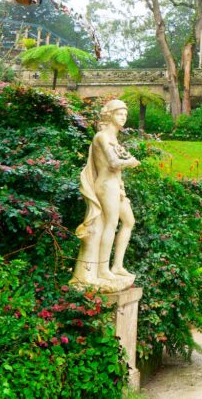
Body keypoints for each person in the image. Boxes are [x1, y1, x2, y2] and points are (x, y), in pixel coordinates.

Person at [71, 100, 140, 291]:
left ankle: (117, 265)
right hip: (106, 184)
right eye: (119, 114)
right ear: (109, 115)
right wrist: (131, 162)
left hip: (116, 186)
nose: (123, 117)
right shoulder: (101, 137)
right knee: (110, 224)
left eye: (125, 114)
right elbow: (113, 163)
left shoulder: (113, 137)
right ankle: (102, 269)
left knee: (128, 221)